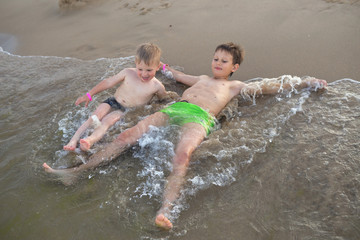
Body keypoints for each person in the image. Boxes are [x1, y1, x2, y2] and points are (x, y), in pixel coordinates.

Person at [43, 42, 327, 230]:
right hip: (177, 107)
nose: (217, 63)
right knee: (128, 135)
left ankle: (165, 210)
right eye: (215, 58)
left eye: (223, 61)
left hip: (200, 118)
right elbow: (177, 75)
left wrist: (307, 82)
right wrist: (161, 67)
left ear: (234, 67)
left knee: (183, 155)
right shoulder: (201, 79)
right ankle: (76, 172)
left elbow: (271, 86)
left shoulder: (236, 86)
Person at [63, 43, 177, 152]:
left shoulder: (157, 86)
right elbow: (108, 82)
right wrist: (89, 94)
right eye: (140, 69)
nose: (144, 74)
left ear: (157, 67)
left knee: (107, 121)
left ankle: (89, 140)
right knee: (94, 116)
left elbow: (164, 100)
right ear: (136, 63)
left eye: (149, 70)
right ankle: (73, 140)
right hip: (112, 101)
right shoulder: (128, 73)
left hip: (125, 110)